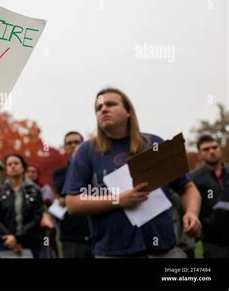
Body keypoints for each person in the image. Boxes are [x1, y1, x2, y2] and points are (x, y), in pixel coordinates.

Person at [63, 87, 202, 258]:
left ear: (128, 111)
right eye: (98, 108)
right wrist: (119, 200)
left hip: (164, 250)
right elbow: (72, 203)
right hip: (113, 253)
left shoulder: (154, 144)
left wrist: (192, 213)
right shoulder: (86, 152)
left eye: (110, 104)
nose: (103, 109)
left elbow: (187, 187)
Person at [0, 154, 44, 258]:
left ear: (23, 167)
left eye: (16, 163)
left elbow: (37, 218)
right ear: (6, 169)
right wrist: (10, 238)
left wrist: (17, 238)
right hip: (6, 243)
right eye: (9, 164)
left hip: (30, 243)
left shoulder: (35, 190)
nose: (13, 166)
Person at [52, 131, 92, 258]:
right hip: (72, 237)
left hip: (95, 233)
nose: (73, 145)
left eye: (77, 142)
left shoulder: (94, 169)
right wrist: (76, 161)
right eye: (69, 143)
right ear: (65, 148)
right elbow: (65, 188)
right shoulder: (59, 173)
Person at [190, 134, 229, 258]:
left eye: (214, 147)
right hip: (213, 242)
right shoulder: (193, 179)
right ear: (199, 154)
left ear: (219, 149)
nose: (211, 151)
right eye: (206, 149)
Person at [25, 163, 58, 258]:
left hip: (43, 226)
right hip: (27, 227)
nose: (30, 174)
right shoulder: (20, 188)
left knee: (46, 248)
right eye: (28, 171)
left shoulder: (45, 188)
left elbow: (46, 203)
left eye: (33, 172)